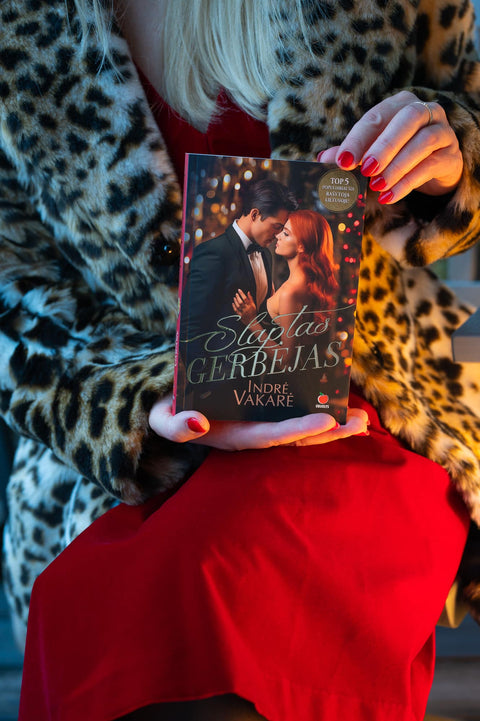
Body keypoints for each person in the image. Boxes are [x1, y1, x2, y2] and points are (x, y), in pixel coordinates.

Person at [0, 1, 478, 720]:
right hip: (132, 444)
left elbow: (467, 125)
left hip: (367, 404)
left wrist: (452, 155)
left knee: (225, 582)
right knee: (108, 606)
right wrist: (142, 403)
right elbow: (11, 289)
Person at [178, 179, 297, 415]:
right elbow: (189, 325)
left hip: (255, 383)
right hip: (218, 387)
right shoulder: (214, 252)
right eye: (276, 226)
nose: (278, 235)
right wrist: (205, 385)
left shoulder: (265, 255)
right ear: (255, 214)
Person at [232, 209, 339, 363]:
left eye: (286, 234)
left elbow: (286, 360)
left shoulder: (291, 292)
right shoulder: (305, 284)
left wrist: (252, 322)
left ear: (301, 246)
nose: (278, 236)